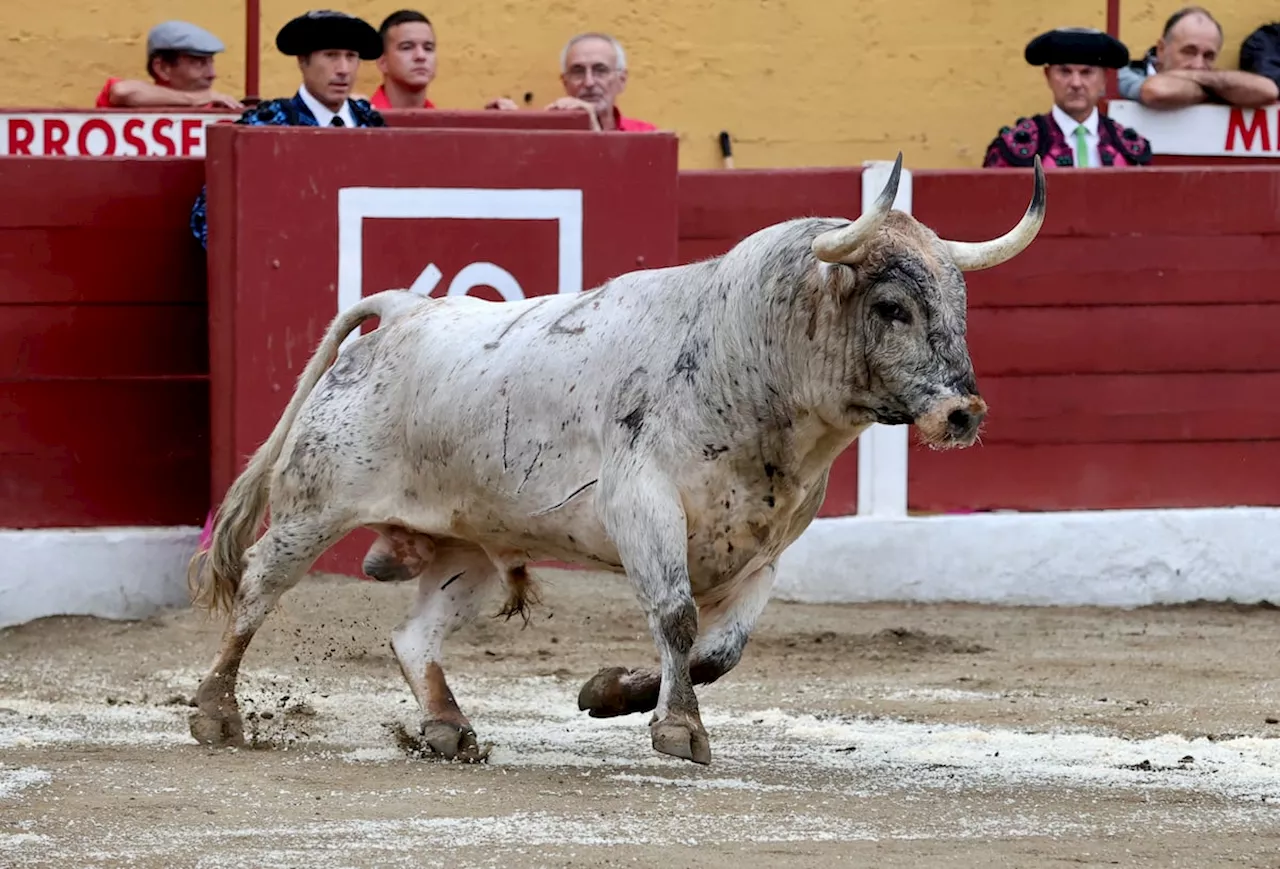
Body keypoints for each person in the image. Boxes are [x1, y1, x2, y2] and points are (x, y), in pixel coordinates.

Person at [188, 9, 387, 554]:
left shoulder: (371, 125)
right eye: (330, 56)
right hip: (275, 305)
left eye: (350, 57)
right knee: (262, 414)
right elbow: (209, 218)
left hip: (353, 297)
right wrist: (253, 279)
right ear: (304, 63)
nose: (343, 68)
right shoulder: (265, 123)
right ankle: (232, 531)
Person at [984, 27, 1152, 168]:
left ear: (1104, 80)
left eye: (1087, 73)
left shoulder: (1129, 147)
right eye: (1065, 72)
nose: (1076, 83)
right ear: (1048, 76)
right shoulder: (1012, 147)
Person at [486, 32, 656, 131]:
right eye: (578, 72)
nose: (589, 82)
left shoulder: (647, 135)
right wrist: (512, 130)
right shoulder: (548, 134)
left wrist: (595, 133)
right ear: (565, 83)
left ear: (622, 80)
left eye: (600, 70)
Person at [1117, 6, 1279, 109]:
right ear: (1161, 49)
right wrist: (1220, 89)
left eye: (1209, 56)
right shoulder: (1125, 74)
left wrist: (1193, 79)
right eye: (1188, 51)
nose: (1198, 65)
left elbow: (1269, 90)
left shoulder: (1210, 81)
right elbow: (1156, 91)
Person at [94, 20, 242, 110]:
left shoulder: (216, 109)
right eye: (198, 63)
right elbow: (122, 92)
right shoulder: (131, 99)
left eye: (211, 62)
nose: (212, 74)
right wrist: (194, 99)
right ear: (162, 68)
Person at [370, 9, 438, 109]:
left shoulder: (443, 122)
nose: (420, 56)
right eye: (407, 47)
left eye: (428, 48)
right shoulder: (358, 122)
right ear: (382, 62)